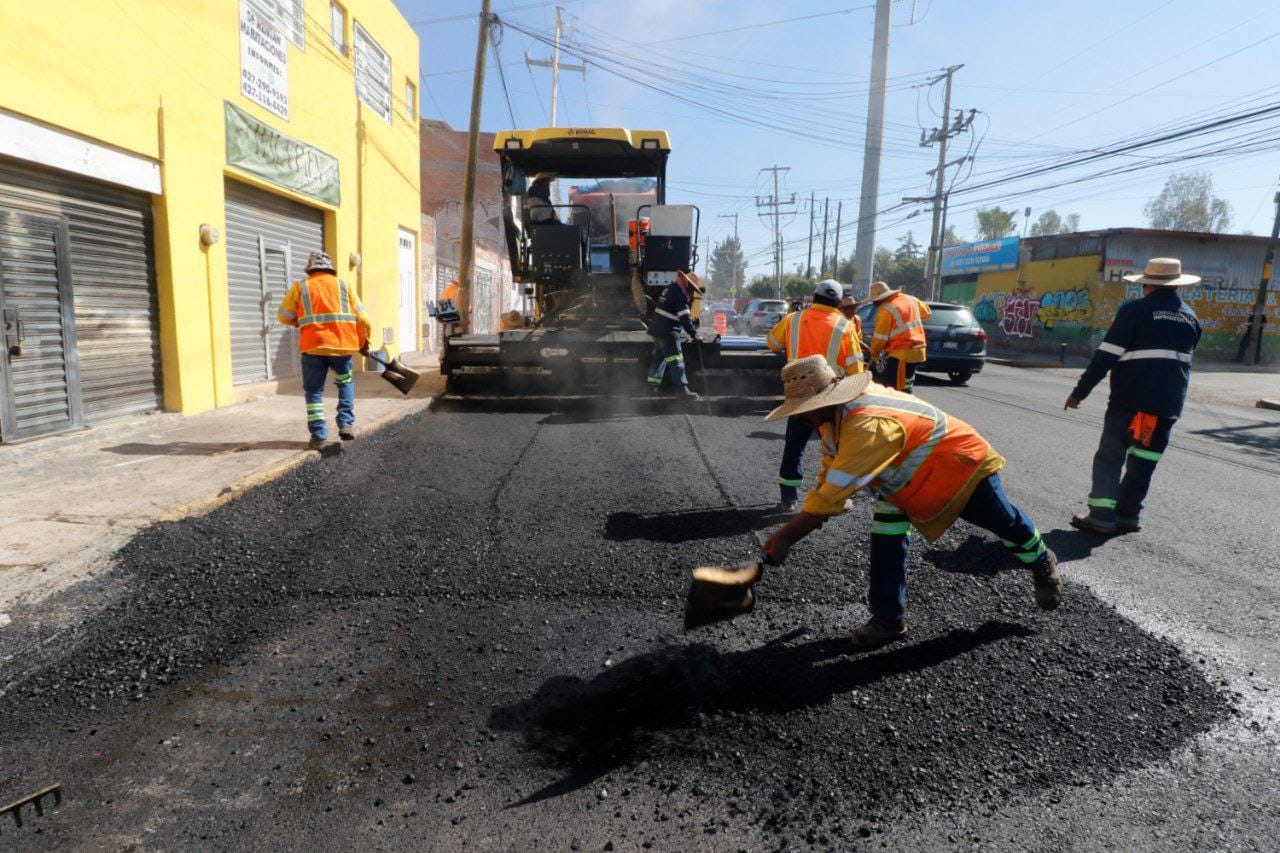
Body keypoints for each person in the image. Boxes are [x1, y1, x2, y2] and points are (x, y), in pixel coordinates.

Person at [763, 355, 1063, 648]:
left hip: (960, 466)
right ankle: (888, 620)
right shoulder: (832, 420)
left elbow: (834, 491)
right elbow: (832, 470)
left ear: (825, 401)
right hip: (903, 486)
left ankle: (1041, 560)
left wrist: (786, 537)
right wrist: (820, 507)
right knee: (886, 540)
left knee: (1005, 523)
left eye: (804, 409)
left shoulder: (865, 422)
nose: (799, 417)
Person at [1065, 257, 1202, 535]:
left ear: (1146, 284)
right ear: (1177, 285)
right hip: (1168, 404)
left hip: (1130, 401)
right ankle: (1128, 515)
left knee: (1111, 456)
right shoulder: (1191, 318)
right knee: (1144, 459)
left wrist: (1080, 392)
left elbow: (1106, 356)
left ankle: (1101, 515)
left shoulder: (1134, 310)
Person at [765, 279, 865, 511]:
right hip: (831, 397)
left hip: (800, 394)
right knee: (833, 449)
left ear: (814, 297)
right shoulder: (845, 325)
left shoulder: (793, 319)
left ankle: (788, 498)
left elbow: (772, 343)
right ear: (838, 302)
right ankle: (826, 497)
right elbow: (856, 368)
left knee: (794, 447)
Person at [277, 251, 371, 452]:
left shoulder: (301, 287)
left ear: (310, 269)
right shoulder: (344, 285)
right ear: (330, 269)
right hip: (342, 347)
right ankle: (345, 424)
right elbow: (363, 318)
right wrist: (363, 342)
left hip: (313, 347)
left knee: (314, 391)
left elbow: (283, 315)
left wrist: (298, 322)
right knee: (345, 383)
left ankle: (319, 436)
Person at [867, 280, 931, 393]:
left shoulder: (885, 309)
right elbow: (927, 313)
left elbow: (880, 338)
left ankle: (901, 400)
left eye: (874, 301)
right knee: (906, 383)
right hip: (918, 350)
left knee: (892, 387)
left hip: (902, 352)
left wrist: (874, 354)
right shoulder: (910, 299)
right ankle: (907, 396)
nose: (874, 304)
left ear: (879, 299)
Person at [647, 270, 702, 398]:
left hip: (658, 330)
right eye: (691, 287)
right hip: (668, 332)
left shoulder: (670, 289)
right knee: (676, 360)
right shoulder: (679, 294)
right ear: (686, 282)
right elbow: (685, 320)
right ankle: (682, 390)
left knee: (659, 360)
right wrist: (696, 335)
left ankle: (651, 388)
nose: (691, 291)